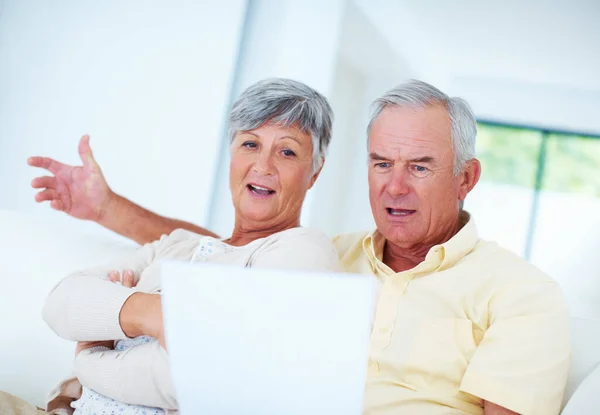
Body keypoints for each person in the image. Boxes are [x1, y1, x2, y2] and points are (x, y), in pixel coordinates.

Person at [28, 80, 570, 415]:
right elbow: (220, 250)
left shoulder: (521, 295)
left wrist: (96, 354)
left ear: (466, 178)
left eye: (420, 167)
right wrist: (107, 209)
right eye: (382, 163)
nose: (394, 186)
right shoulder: (334, 255)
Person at [28, 77, 341, 414]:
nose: (263, 166)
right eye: (250, 144)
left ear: (315, 171)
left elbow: (193, 376)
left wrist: (91, 356)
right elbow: (60, 302)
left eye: (287, 151)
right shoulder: (177, 244)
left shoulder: (305, 251)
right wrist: (153, 314)